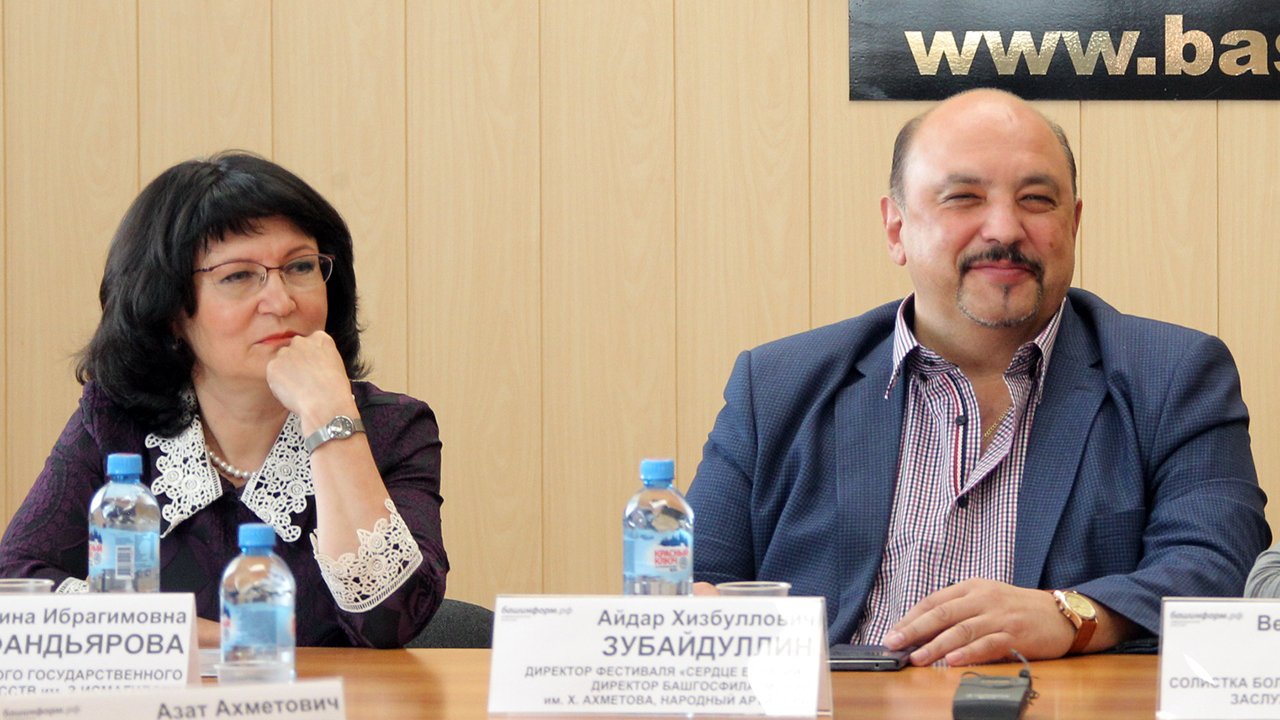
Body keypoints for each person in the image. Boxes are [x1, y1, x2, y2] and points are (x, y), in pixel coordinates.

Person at [685, 89, 1269, 667]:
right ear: (896, 229)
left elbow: (1219, 566)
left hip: (1054, 705)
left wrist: (1072, 615)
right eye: (963, 198)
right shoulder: (777, 385)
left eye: (1036, 200)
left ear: (1073, 223)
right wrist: (691, 608)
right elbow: (690, 579)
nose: (1004, 230)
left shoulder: (1172, 374)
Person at [0, 151, 447, 649]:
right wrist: (207, 637)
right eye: (238, 276)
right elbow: (14, 583)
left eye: (300, 266)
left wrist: (330, 417)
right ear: (170, 308)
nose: (282, 301)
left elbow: (389, 623)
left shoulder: (393, 428)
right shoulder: (116, 421)